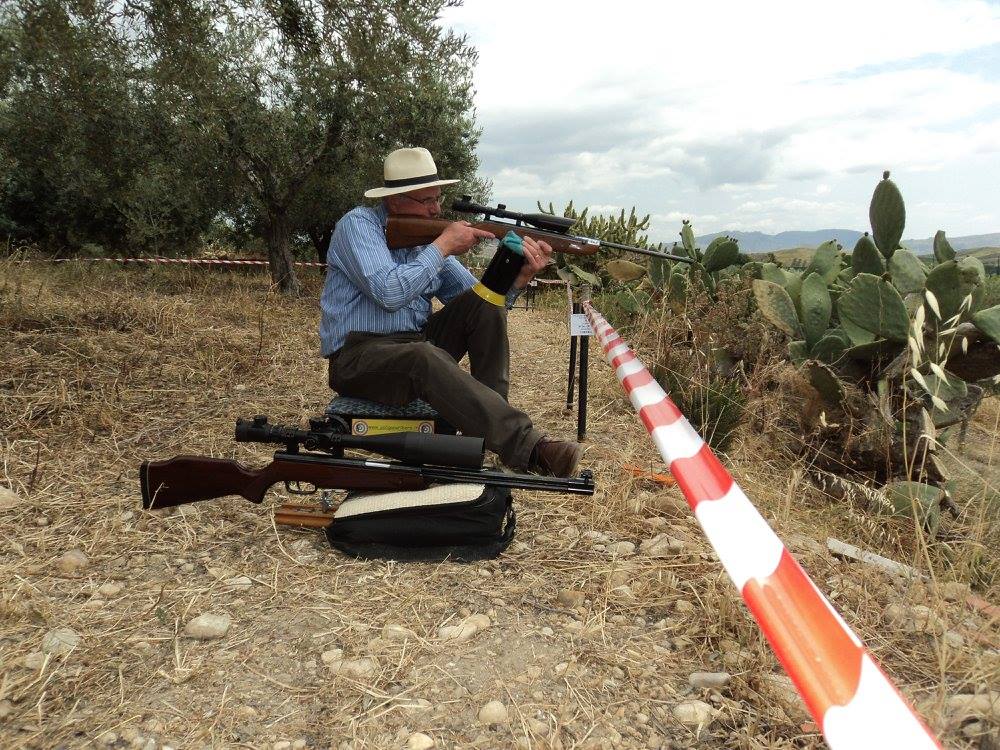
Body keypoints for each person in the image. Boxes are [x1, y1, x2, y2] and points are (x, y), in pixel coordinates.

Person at [319, 147, 583, 477]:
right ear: (395, 200)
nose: (436, 209)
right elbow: (389, 293)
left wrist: (516, 280)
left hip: (414, 344)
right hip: (357, 358)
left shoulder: (425, 239)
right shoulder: (358, 226)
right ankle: (528, 447)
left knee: (484, 304)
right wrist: (443, 246)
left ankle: (490, 438)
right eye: (426, 200)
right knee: (422, 355)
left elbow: (482, 303)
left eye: (438, 198)